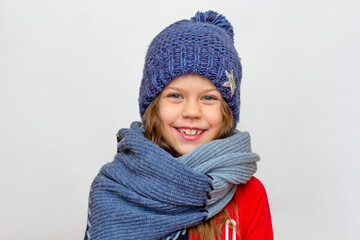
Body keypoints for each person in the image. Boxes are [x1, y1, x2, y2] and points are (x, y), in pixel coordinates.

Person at [84, 10, 273, 240]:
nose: (192, 112)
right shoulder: (114, 188)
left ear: (226, 111)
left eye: (209, 97)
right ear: (154, 105)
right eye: (175, 95)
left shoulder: (249, 194)